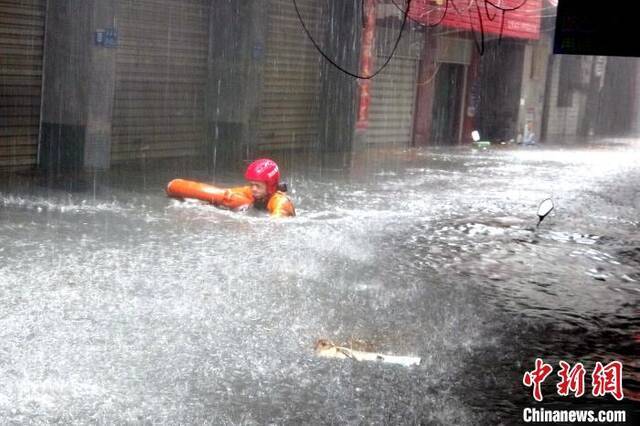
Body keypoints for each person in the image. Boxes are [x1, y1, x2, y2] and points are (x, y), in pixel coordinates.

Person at [166, 158, 295, 217]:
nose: (253, 189)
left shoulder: (281, 202)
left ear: (270, 187)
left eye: (258, 186)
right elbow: (225, 194)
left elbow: (275, 226)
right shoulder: (251, 192)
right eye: (252, 184)